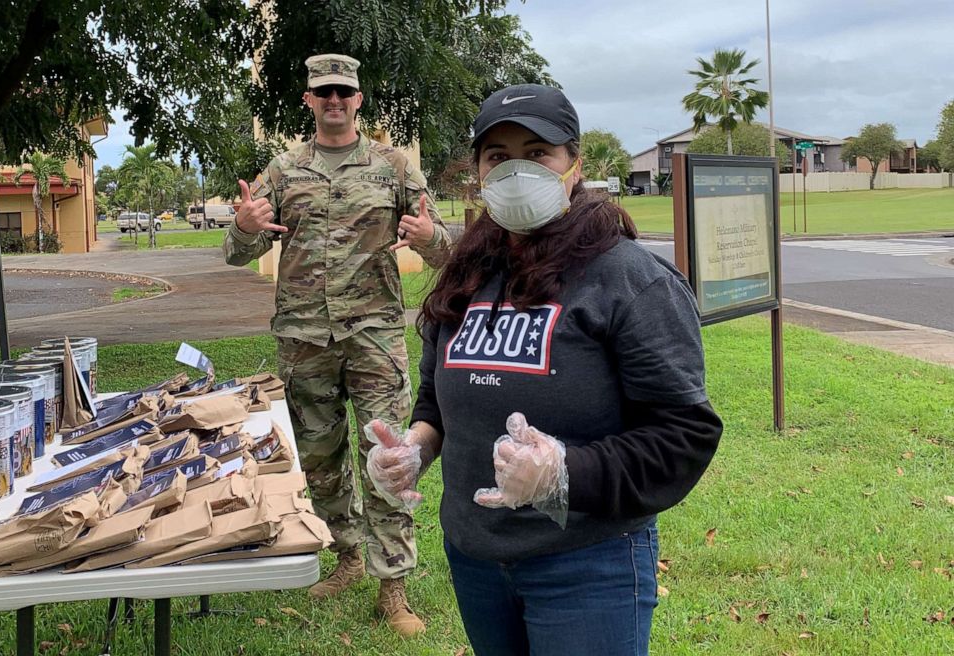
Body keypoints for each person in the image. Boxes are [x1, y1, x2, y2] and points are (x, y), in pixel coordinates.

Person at [364, 83, 723, 655]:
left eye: (537, 153)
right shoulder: (467, 273)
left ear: (574, 166)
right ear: (479, 172)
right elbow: (436, 398)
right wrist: (416, 448)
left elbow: (685, 435)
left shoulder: (628, 278)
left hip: (587, 565)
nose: (516, 170)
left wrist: (565, 472)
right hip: (476, 559)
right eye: (498, 157)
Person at [223, 53, 452, 637]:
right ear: (308, 99)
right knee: (321, 461)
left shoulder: (394, 167)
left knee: (389, 456)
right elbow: (236, 252)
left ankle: (393, 585)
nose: (334, 101)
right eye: (323, 91)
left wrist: (430, 237)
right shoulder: (282, 170)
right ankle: (348, 555)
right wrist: (245, 228)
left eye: (343, 92)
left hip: (373, 336)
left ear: (358, 99)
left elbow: (447, 248)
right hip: (304, 340)